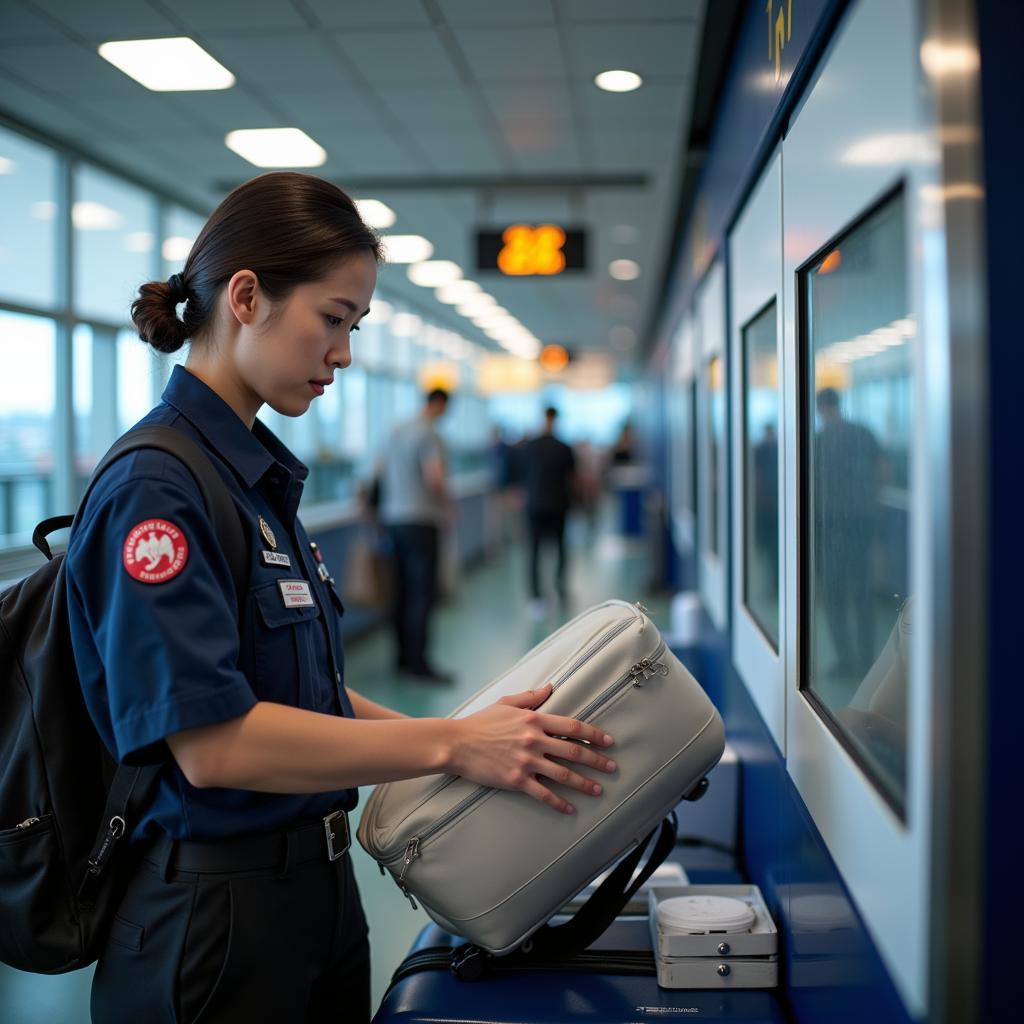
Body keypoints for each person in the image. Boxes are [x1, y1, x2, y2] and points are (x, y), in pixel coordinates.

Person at [65, 172, 618, 1024]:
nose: (344, 354)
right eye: (332, 319)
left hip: (312, 896)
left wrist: (484, 739)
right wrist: (450, 746)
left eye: (355, 328)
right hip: (214, 924)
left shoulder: (251, 479)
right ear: (246, 297)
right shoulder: (159, 489)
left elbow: (303, 692)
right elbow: (215, 746)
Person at [378, 387, 453, 681]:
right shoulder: (428, 434)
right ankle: (419, 663)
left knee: (400, 590)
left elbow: (376, 472)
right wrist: (447, 506)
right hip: (421, 520)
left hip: (393, 519)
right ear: (439, 404)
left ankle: (400, 659)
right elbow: (434, 477)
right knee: (422, 592)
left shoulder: (395, 431)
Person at [813, 387, 884, 679]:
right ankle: (867, 661)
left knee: (834, 596)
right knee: (862, 592)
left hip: (829, 526)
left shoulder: (818, 441)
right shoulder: (864, 433)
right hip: (863, 522)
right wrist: (868, 499)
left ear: (820, 409)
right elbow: (883, 470)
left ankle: (845, 660)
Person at [522, 407, 576, 617]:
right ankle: (560, 590)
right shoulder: (563, 447)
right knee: (560, 549)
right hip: (558, 504)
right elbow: (573, 479)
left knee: (534, 551)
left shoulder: (530, 446)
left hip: (535, 505)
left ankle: (537, 597)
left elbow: (521, 476)